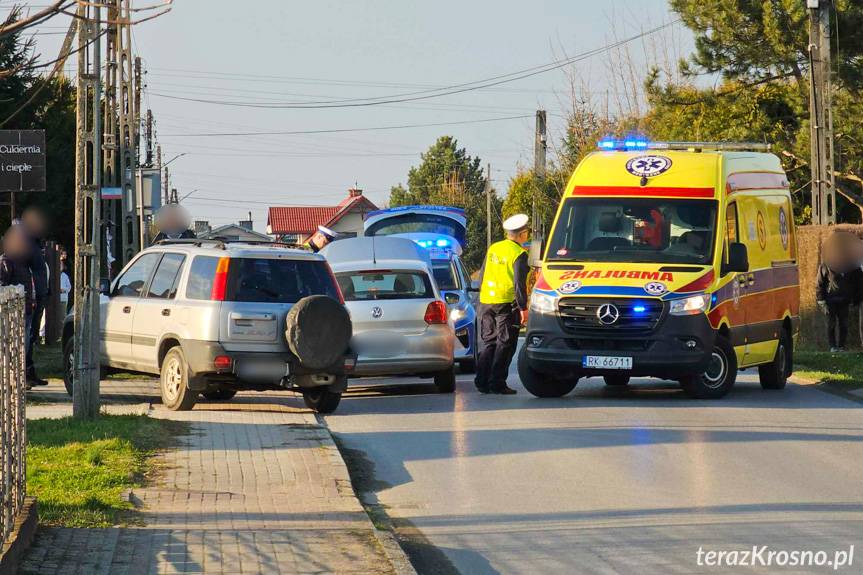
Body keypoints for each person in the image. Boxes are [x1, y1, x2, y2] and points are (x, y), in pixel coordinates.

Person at [474, 213, 530, 395]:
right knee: (505, 344)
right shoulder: (519, 254)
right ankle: (497, 382)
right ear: (522, 234)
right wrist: (523, 308)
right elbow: (519, 284)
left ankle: (482, 381)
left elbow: (482, 274)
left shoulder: (494, 248)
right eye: (527, 232)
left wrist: (481, 295)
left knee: (488, 342)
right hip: (506, 304)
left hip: (486, 302)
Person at [0, 225, 35, 389]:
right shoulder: (7, 260)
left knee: (23, 347)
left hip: (26, 309)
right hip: (13, 313)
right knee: (14, 348)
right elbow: (2, 285)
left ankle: (20, 379)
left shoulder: (23, 261)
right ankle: (13, 381)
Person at [817, 231, 863, 352]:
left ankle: (841, 346)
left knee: (843, 324)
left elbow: (857, 283)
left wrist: (856, 299)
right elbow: (820, 283)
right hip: (830, 299)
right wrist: (821, 300)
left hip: (844, 299)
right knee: (831, 324)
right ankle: (833, 346)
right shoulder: (825, 265)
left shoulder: (851, 265)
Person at [21, 207, 49, 386]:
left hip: (39, 296)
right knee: (28, 338)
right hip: (32, 298)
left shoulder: (36, 246)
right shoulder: (27, 246)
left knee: (31, 338)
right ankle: (25, 375)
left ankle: (30, 373)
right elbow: (28, 273)